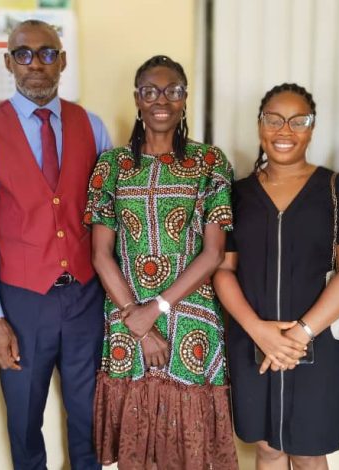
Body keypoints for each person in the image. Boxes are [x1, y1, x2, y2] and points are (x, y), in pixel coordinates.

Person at [0, 19, 112, 470]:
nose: (36, 64)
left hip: (86, 297)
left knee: (90, 416)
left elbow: (110, 215)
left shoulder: (93, 125)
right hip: (22, 302)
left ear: (62, 61)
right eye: (23, 54)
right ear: (9, 62)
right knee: (25, 421)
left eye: (47, 53)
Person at [86, 54, 238, 469]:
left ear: (185, 98)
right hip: (126, 315)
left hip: (190, 316)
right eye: (150, 91)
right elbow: (101, 254)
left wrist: (157, 308)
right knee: (137, 451)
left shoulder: (210, 163)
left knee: (187, 449)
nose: (161, 100)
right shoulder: (112, 166)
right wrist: (136, 317)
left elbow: (213, 253)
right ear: (137, 98)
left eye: (172, 91)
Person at [212, 83, 339, 470]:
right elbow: (223, 270)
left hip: (317, 345)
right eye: (274, 119)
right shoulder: (236, 194)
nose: (285, 130)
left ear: (312, 128)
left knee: (308, 451)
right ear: (259, 124)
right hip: (251, 343)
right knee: (267, 447)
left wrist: (299, 334)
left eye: (298, 121)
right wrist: (259, 331)